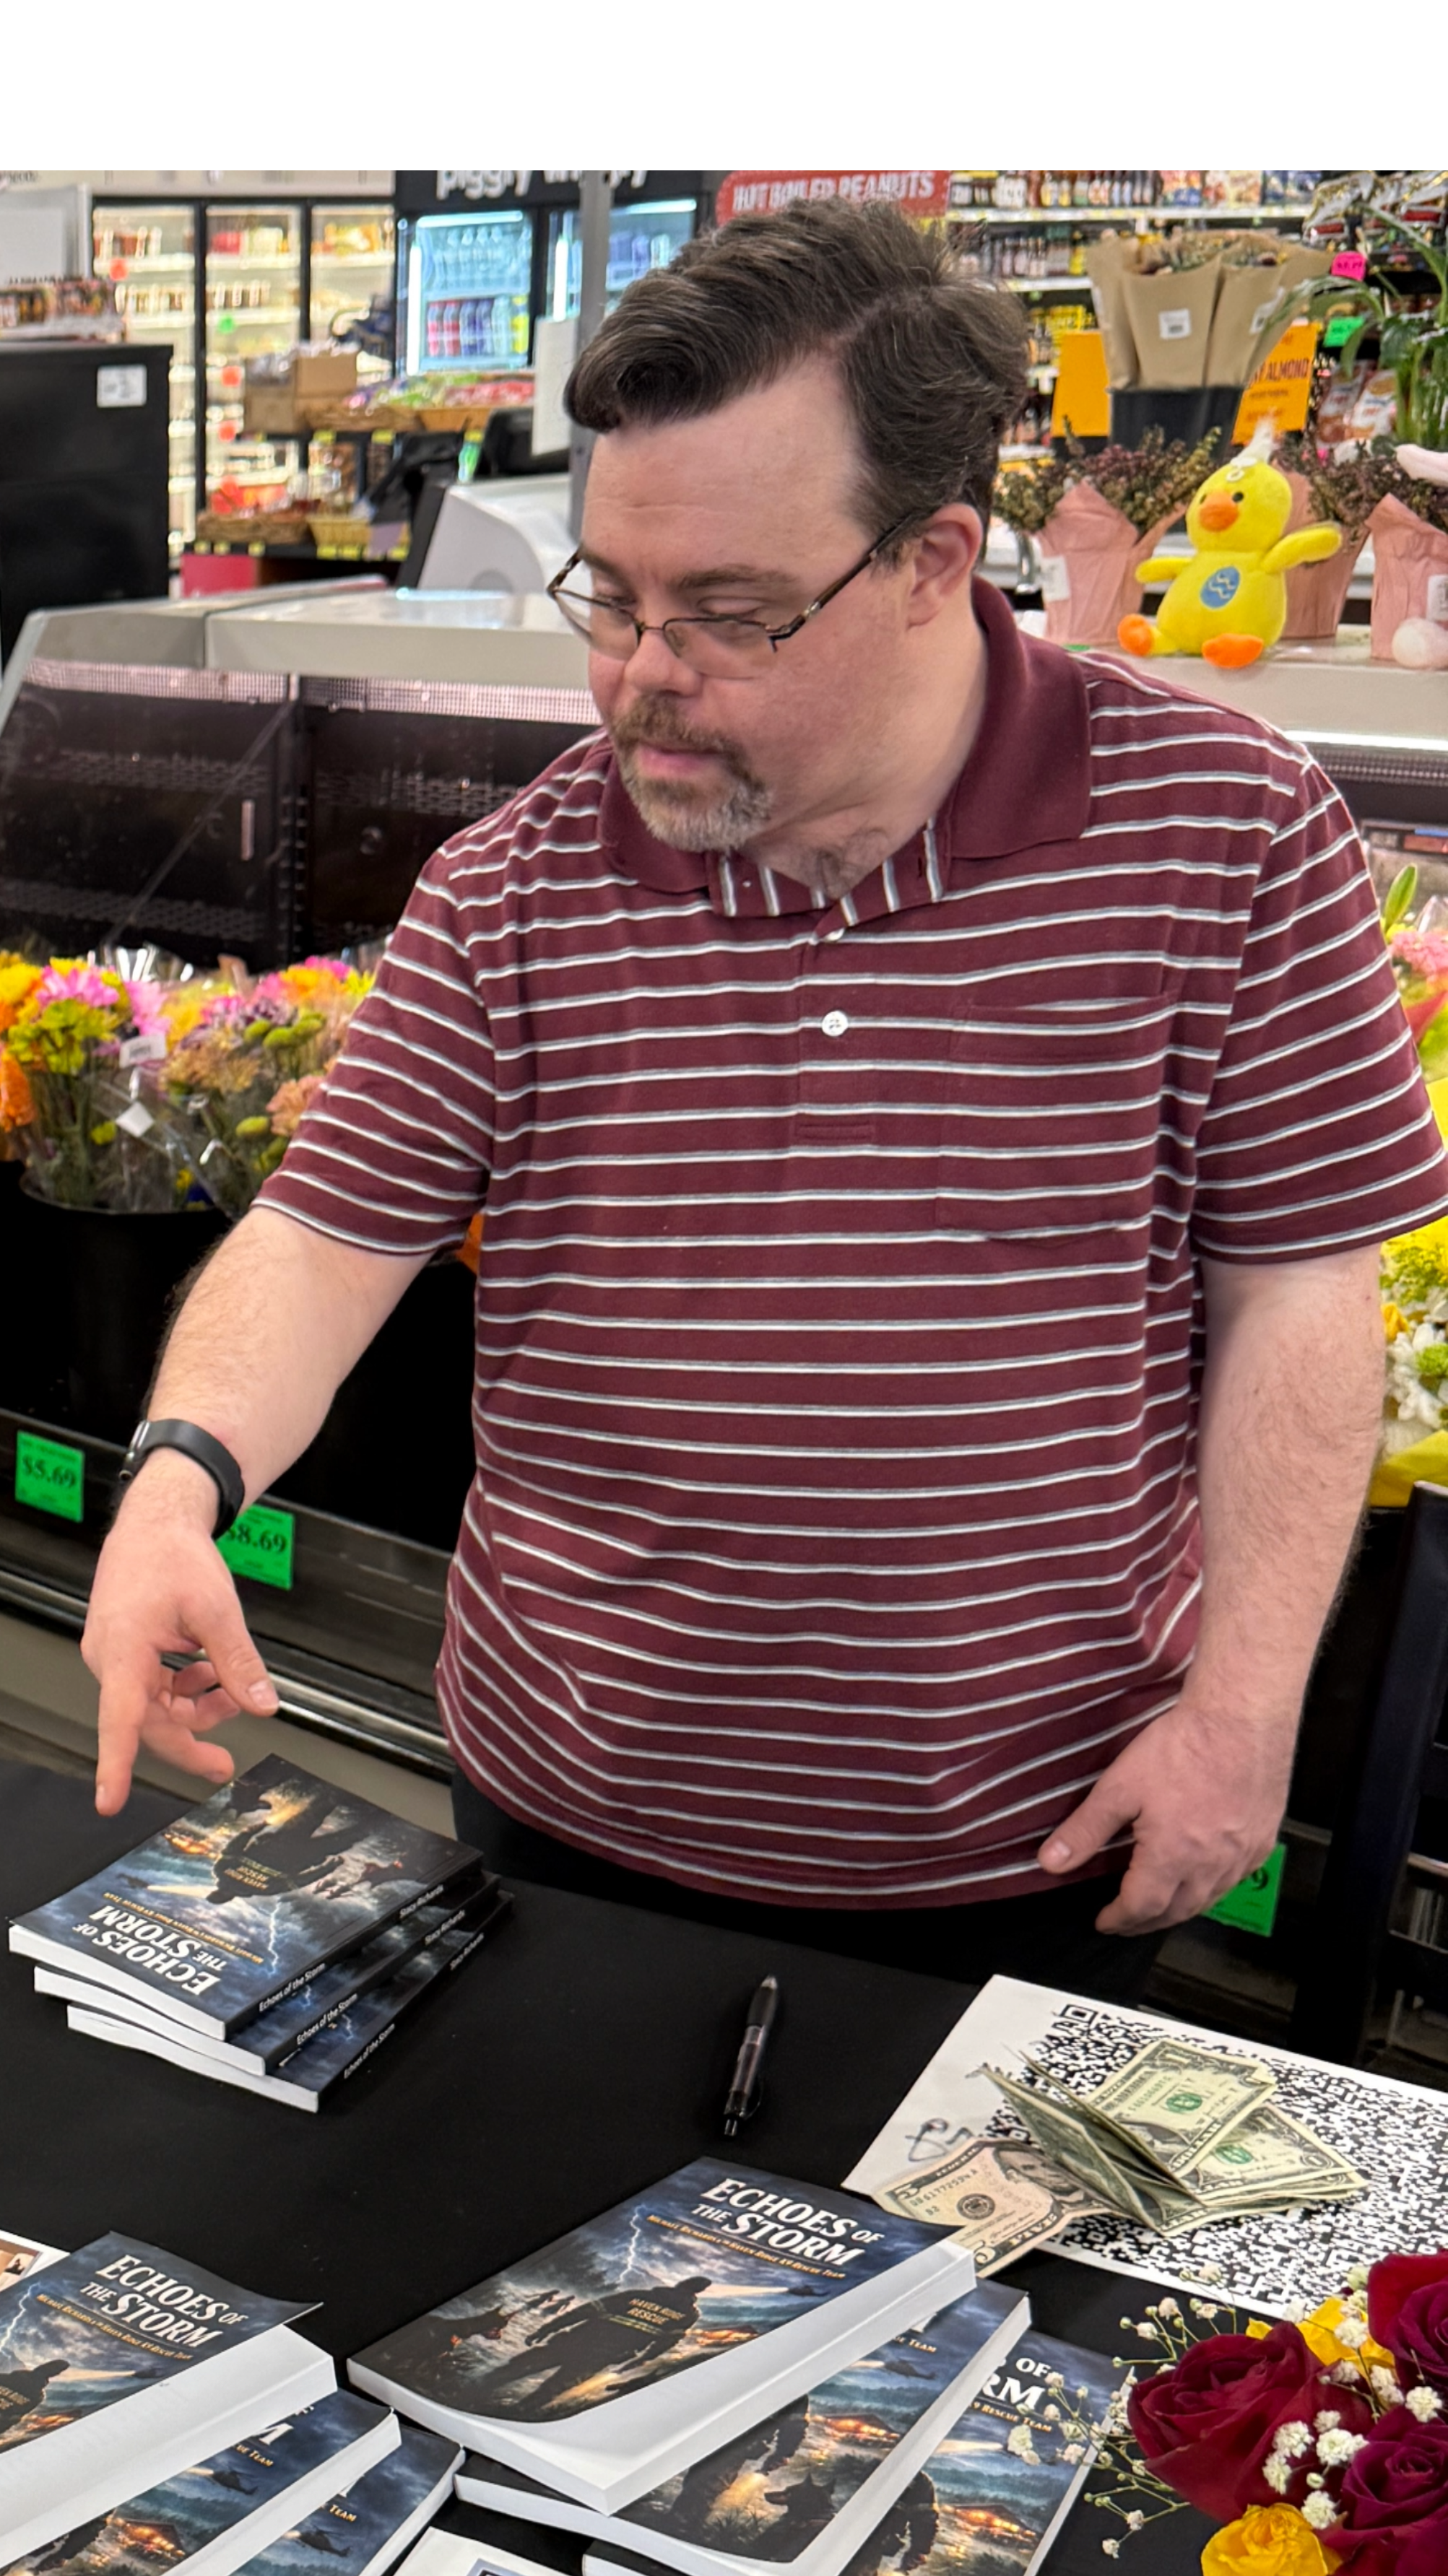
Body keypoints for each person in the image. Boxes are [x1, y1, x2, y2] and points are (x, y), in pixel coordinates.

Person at [82, 201, 1448, 1990]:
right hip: (557, 1829)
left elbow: (1301, 1295)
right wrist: (178, 1483)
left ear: (931, 559)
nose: (643, 677)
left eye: (728, 615)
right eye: (614, 598)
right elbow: (328, 1234)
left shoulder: (1229, 833)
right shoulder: (518, 881)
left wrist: (1247, 1709)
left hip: (1031, 1858)